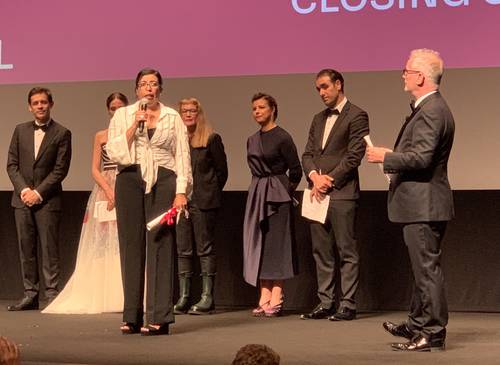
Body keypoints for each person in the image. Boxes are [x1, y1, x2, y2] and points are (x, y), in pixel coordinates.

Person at [366, 49, 454, 352]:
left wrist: (386, 157)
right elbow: (418, 154)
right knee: (421, 268)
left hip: (424, 204)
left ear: (420, 76)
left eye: (406, 70)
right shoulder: (427, 108)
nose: (403, 75)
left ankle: (432, 331)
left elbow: (422, 158)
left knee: (426, 269)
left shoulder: (432, 110)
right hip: (421, 202)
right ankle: (418, 324)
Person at [106, 68, 192, 336]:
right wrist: (135, 125)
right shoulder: (123, 115)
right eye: (144, 84)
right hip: (130, 178)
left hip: (164, 180)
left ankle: (159, 316)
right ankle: (132, 315)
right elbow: (113, 151)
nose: (149, 88)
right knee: (131, 245)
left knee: (160, 244)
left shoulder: (172, 116)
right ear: (136, 90)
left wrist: (181, 192)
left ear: (160, 89)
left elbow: (182, 156)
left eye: (154, 84)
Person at [42, 92, 129, 314]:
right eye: (113, 108)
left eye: (121, 107)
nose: (117, 111)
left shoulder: (133, 134)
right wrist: (109, 190)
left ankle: (126, 292)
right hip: (104, 187)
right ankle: (103, 292)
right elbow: (94, 168)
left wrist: (120, 189)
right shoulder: (101, 135)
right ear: (108, 110)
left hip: (128, 184)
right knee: (103, 240)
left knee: (125, 240)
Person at [301, 69, 369, 321]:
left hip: (342, 193)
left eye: (325, 87)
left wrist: (329, 179)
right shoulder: (318, 118)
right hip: (316, 193)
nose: (321, 92)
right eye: (318, 88)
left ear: (338, 84)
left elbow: (354, 155)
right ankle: (326, 302)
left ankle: (348, 304)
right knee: (321, 250)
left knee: (346, 250)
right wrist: (314, 177)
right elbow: (307, 154)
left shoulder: (357, 115)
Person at [6, 87, 72, 311]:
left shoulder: (62, 133)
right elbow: (12, 165)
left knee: (49, 248)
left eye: (44, 102)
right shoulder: (19, 130)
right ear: (29, 106)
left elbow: (60, 170)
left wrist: (38, 192)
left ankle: (51, 294)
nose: (40, 106)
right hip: (21, 199)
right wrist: (25, 190)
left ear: (51, 104)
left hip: (48, 200)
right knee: (26, 249)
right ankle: (30, 294)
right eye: (35, 103)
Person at [243, 93, 302, 317]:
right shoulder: (251, 139)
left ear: (273, 109)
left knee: (278, 245)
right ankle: (264, 294)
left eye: (261, 107)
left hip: (278, 195)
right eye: (254, 108)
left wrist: (286, 190)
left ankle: (277, 294)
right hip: (258, 194)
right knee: (261, 243)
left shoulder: (282, 137)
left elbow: (295, 169)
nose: (257, 111)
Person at [174, 98, 228, 315]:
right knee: (183, 249)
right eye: (184, 111)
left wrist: (209, 193)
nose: (188, 115)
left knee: (204, 248)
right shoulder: (176, 141)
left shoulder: (211, 139)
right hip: (180, 202)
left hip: (204, 202)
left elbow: (222, 172)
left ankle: (207, 297)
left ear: (199, 113)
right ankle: (184, 296)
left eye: (192, 111)